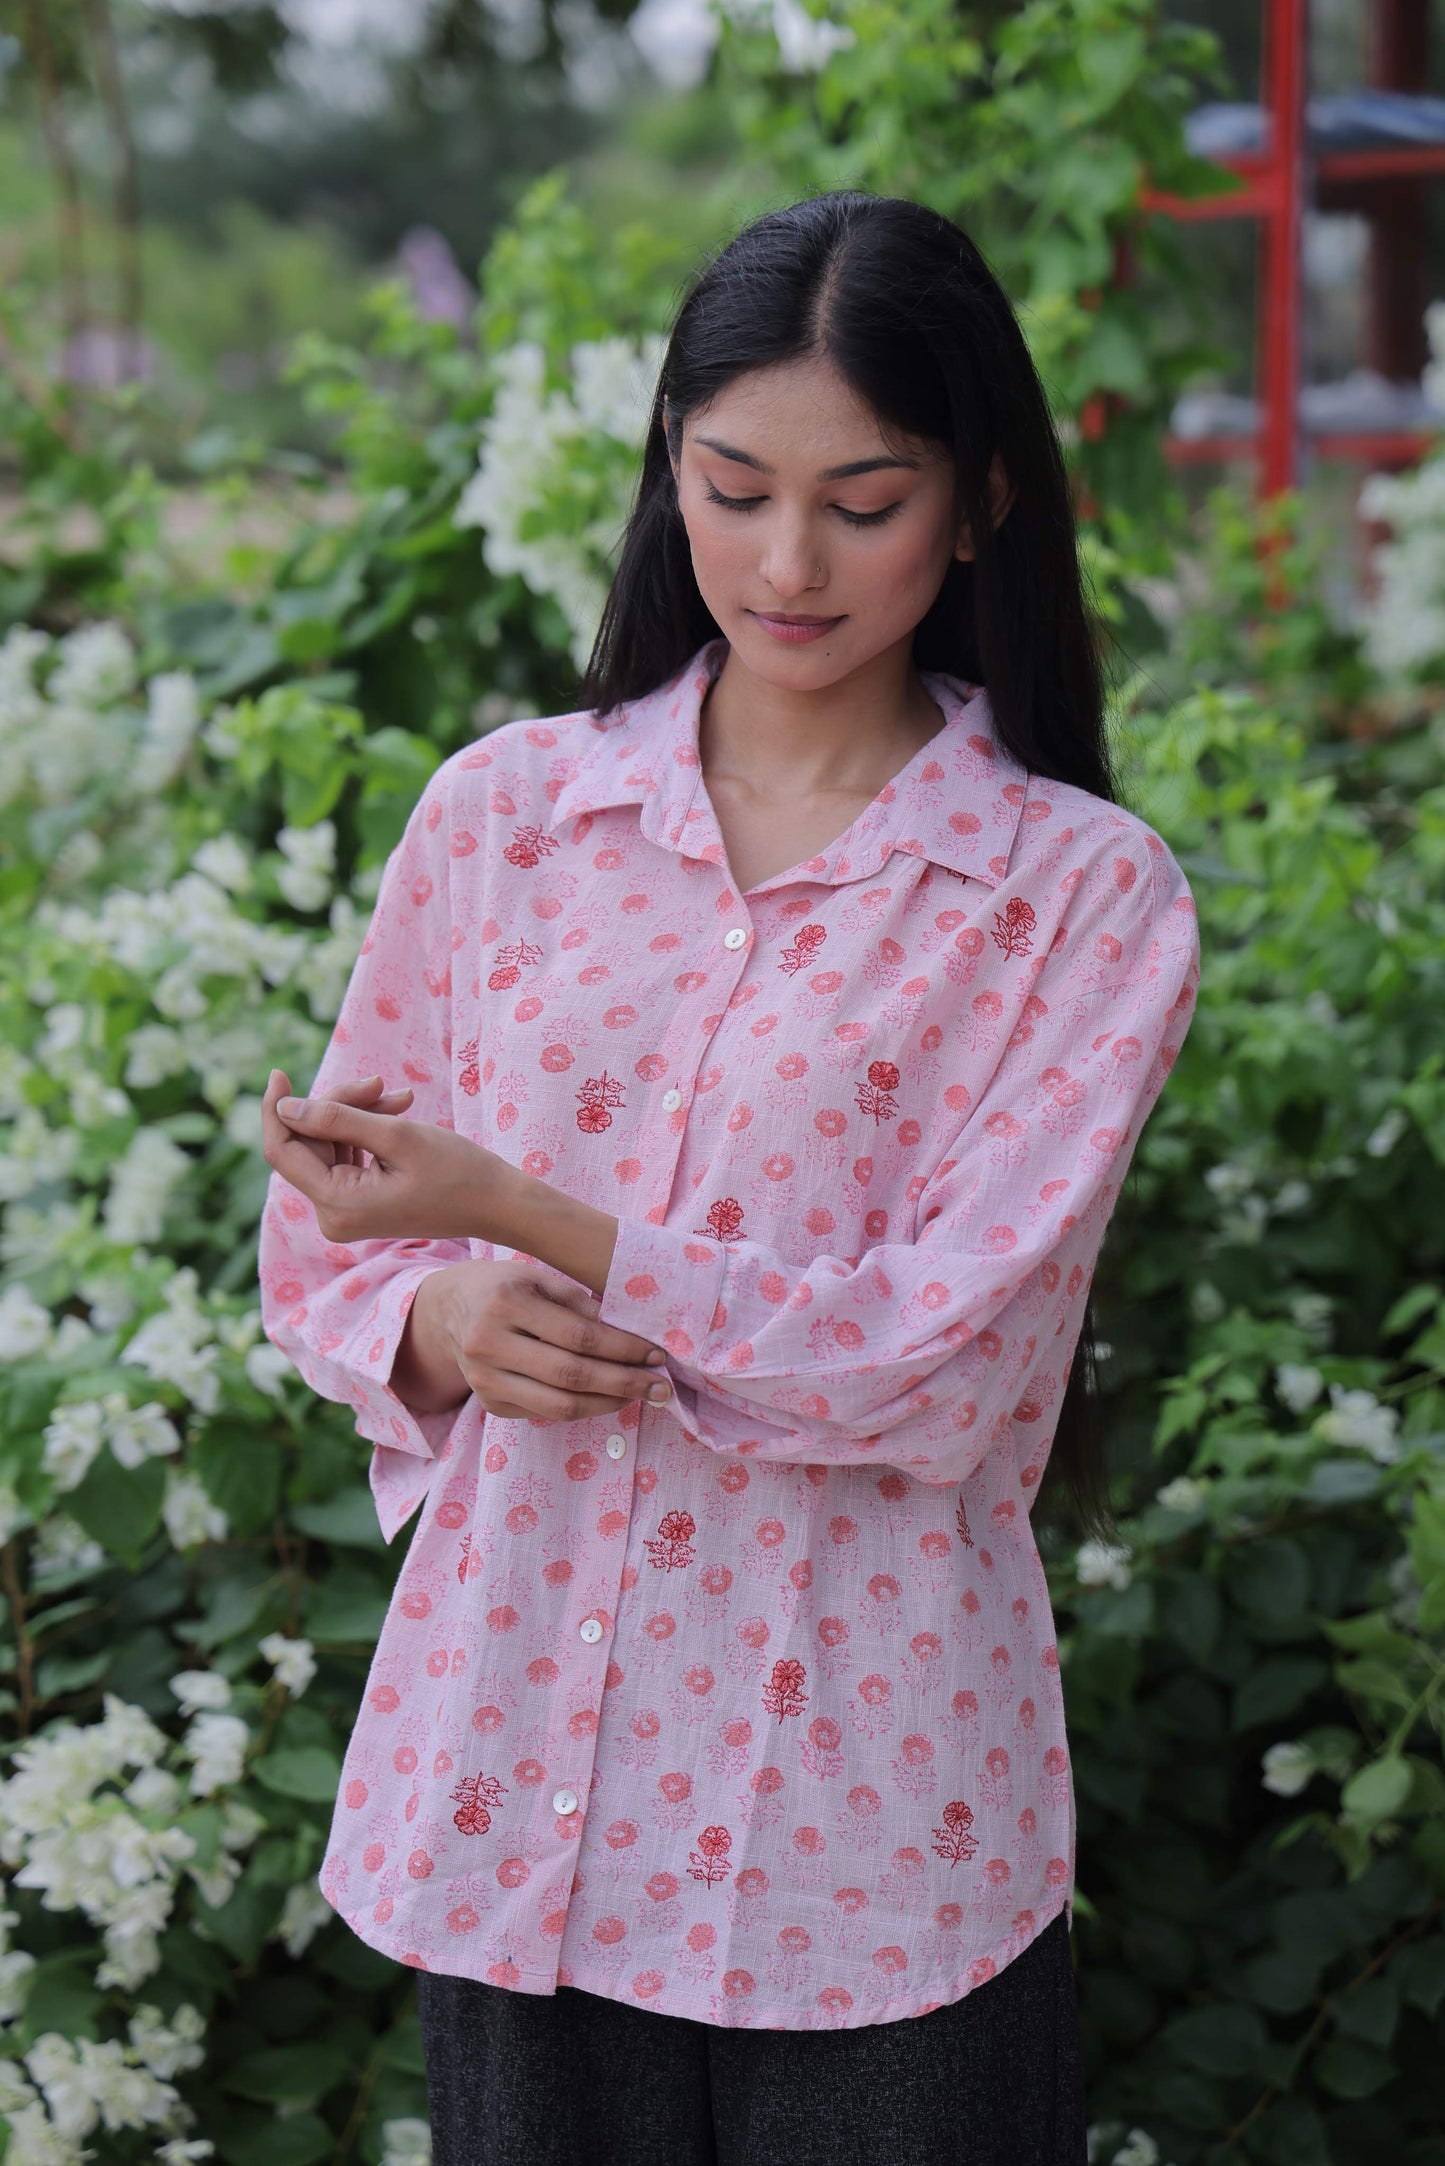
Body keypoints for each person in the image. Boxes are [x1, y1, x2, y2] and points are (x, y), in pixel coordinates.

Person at [256, 189, 1200, 2166]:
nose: (787, 562)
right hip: (516, 1789)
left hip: (874, 1836)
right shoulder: (503, 819)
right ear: (667, 470)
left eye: (864, 502)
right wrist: (439, 1310)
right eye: (733, 487)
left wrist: (533, 1217)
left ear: (981, 501)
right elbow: (327, 1247)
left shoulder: (1075, 899)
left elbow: (935, 1364)